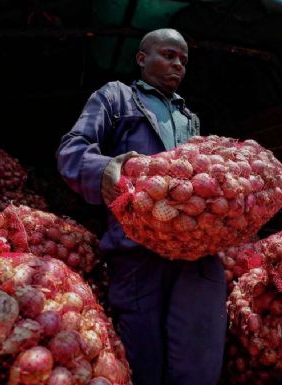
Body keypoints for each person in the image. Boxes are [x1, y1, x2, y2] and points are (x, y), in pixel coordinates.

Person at [56, 28, 227, 385]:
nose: (177, 64)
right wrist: (103, 169)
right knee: (141, 355)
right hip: (136, 248)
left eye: (183, 59)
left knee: (197, 355)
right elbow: (72, 151)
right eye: (168, 55)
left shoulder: (190, 118)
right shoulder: (116, 98)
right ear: (142, 58)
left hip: (193, 252)